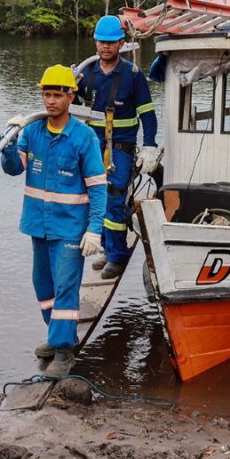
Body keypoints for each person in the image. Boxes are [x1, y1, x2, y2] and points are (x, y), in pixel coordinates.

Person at [1, 64, 107, 377]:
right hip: (39, 224)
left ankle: (63, 351)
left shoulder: (83, 137)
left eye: (57, 95)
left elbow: (98, 188)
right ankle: (57, 334)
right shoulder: (33, 132)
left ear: (70, 96)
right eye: (46, 94)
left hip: (70, 227)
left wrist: (95, 229)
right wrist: (8, 142)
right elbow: (13, 169)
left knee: (66, 286)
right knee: (43, 285)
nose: (50, 101)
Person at [77, 15, 160, 280]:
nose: (105, 47)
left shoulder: (132, 76)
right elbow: (67, 104)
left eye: (111, 43)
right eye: (101, 42)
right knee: (94, 197)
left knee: (114, 197)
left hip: (121, 147)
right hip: (92, 146)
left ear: (121, 44)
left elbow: (147, 113)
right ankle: (106, 246)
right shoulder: (86, 72)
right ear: (95, 42)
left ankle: (117, 256)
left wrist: (149, 145)